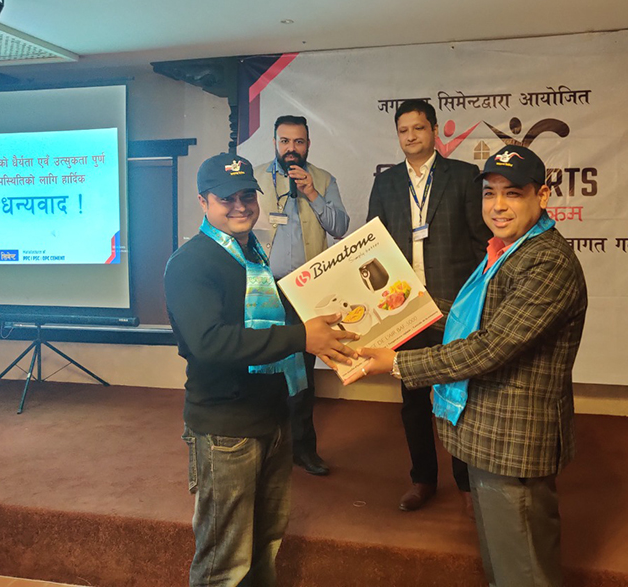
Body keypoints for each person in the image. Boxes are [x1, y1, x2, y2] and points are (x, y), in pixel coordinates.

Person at [360, 144, 588, 587]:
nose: (497, 205)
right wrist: (406, 308)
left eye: (513, 193)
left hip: (514, 440)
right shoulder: (507, 249)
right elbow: (475, 316)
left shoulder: (546, 260)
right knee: (501, 562)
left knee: (523, 569)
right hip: (489, 433)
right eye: (489, 193)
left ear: (542, 196)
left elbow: (489, 347)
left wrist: (398, 362)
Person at [164, 153, 357, 587]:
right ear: (203, 202)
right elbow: (211, 343)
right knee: (225, 562)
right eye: (226, 198)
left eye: (247, 196)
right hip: (226, 428)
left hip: (273, 418)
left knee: (266, 543)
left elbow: (276, 320)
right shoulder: (191, 263)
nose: (240, 206)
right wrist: (302, 337)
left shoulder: (252, 252)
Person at [367, 99, 491, 513]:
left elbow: (481, 242)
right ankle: (422, 479)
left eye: (418, 128)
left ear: (434, 131)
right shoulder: (386, 183)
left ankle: (467, 484)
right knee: (414, 400)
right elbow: (373, 247)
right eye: (403, 131)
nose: (411, 137)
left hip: (454, 306)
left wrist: (478, 300)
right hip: (406, 309)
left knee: (458, 396)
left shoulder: (464, 176)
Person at [254, 115, 350, 477]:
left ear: (308, 145)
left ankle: (303, 449)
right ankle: (264, 448)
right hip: (264, 289)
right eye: (284, 141)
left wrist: (312, 193)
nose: (291, 149)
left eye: (298, 142)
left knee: (303, 375)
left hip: (306, 290)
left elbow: (340, 228)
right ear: (275, 144)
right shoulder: (255, 178)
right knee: (264, 369)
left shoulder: (323, 180)